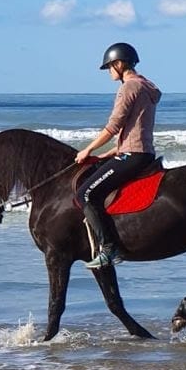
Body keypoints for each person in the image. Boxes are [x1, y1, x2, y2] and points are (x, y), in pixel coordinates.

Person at [74, 42, 162, 269]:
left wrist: (89, 149)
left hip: (132, 155)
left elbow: (113, 127)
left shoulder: (128, 88)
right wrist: (108, 153)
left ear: (119, 63)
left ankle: (109, 249)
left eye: (110, 67)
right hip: (142, 153)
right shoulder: (146, 86)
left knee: (85, 194)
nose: (109, 72)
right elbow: (134, 130)